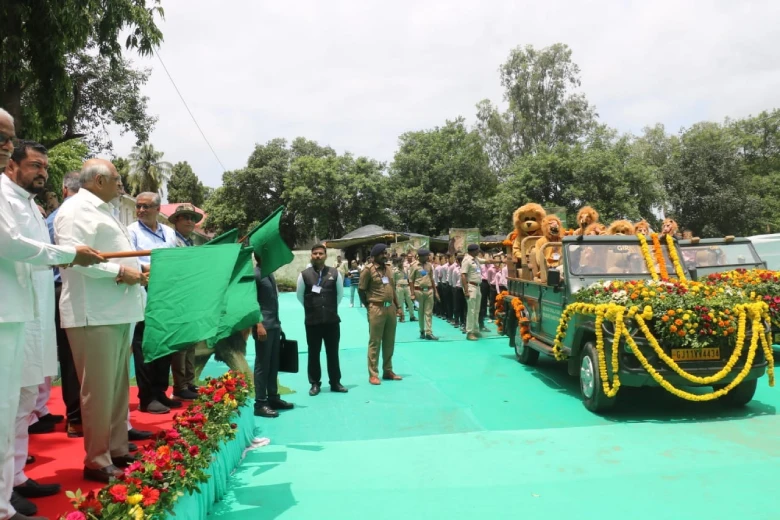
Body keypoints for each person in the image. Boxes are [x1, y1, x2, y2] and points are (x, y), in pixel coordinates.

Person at [0, 117, 103, 519]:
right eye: (35, 165)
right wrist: (68, 254)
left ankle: (15, 477)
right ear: (13, 167)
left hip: (33, 310)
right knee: (7, 403)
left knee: (26, 399)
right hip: (10, 312)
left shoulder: (27, 202)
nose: (42, 172)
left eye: (45, 167)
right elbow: (10, 245)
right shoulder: (4, 195)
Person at [55, 159, 147, 483]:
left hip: (117, 310)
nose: (121, 185)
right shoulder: (76, 210)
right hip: (93, 313)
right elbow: (73, 258)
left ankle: (117, 449)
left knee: (118, 389)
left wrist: (136, 271)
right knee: (98, 390)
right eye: (117, 179)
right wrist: (121, 272)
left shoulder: (104, 209)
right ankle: (96, 460)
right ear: (98, 181)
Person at [127, 192, 182, 413]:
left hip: (166, 296)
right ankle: (146, 397)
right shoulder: (130, 232)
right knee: (144, 347)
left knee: (164, 345)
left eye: (146, 206)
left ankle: (160, 391)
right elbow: (132, 262)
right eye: (138, 206)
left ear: (158, 209)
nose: (140, 210)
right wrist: (159, 268)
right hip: (144, 294)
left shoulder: (169, 233)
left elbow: (177, 261)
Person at [45, 172, 82, 438]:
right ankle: (76, 417)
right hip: (63, 289)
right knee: (71, 357)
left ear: (63, 188)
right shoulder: (59, 218)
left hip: (84, 288)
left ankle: (82, 417)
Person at [296, 244, 348, 396]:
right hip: (313, 322)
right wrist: (313, 308)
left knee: (333, 353)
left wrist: (329, 308)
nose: (318, 256)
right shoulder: (304, 275)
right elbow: (300, 296)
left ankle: (335, 382)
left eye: (321, 253)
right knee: (313, 353)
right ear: (311, 256)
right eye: (315, 253)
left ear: (326, 256)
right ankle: (314, 384)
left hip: (331, 321)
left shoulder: (334, 273)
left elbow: (339, 295)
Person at [168, 204, 202, 401]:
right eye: (184, 217)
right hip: (177, 299)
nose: (189, 220)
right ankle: (180, 385)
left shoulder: (191, 242)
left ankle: (189, 382)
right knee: (181, 344)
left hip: (190, 298)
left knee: (191, 343)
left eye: (192, 217)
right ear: (176, 221)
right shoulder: (172, 242)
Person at [253, 252, 294, 418]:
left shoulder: (268, 273)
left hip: (274, 325)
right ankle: (260, 403)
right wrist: (258, 324)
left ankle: (273, 397)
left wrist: (278, 325)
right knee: (262, 365)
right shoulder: (255, 275)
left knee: (273, 363)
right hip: (264, 326)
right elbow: (251, 302)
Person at [358, 244, 402, 385]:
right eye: (382, 253)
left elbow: (392, 289)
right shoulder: (368, 270)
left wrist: (398, 307)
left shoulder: (388, 268)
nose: (385, 255)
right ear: (375, 255)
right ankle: (373, 374)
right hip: (376, 308)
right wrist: (368, 306)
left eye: (386, 253)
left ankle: (388, 370)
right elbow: (361, 290)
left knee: (389, 341)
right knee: (375, 342)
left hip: (390, 308)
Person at [409, 248, 439, 340]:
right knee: (420, 312)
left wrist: (436, 292)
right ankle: (422, 330)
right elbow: (411, 280)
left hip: (429, 291)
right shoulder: (414, 266)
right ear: (421, 256)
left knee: (428, 312)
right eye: (426, 256)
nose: (428, 257)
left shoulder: (429, 266)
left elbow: (432, 279)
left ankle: (428, 332)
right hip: (418, 292)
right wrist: (412, 293)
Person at [461, 244, 483, 341]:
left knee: (476, 310)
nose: (479, 252)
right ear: (472, 251)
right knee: (471, 311)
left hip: (477, 287)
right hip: (471, 286)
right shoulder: (467, 260)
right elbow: (463, 275)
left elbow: (486, 261)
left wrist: (501, 260)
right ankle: (469, 332)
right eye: (477, 250)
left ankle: (475, 329)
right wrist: (466, 290)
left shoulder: (476, 259)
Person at [394, 254, 414, 322]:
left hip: (406, 286)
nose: (401, 263)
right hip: (399, 287)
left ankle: (412, 316)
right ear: (397, 262)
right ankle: (402, 317)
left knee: (410, 302)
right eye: (400, 262)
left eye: (402, 261)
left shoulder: (406, 269)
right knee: (400, 303)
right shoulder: (395, 270)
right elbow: (393, 281)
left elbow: (409, 278)